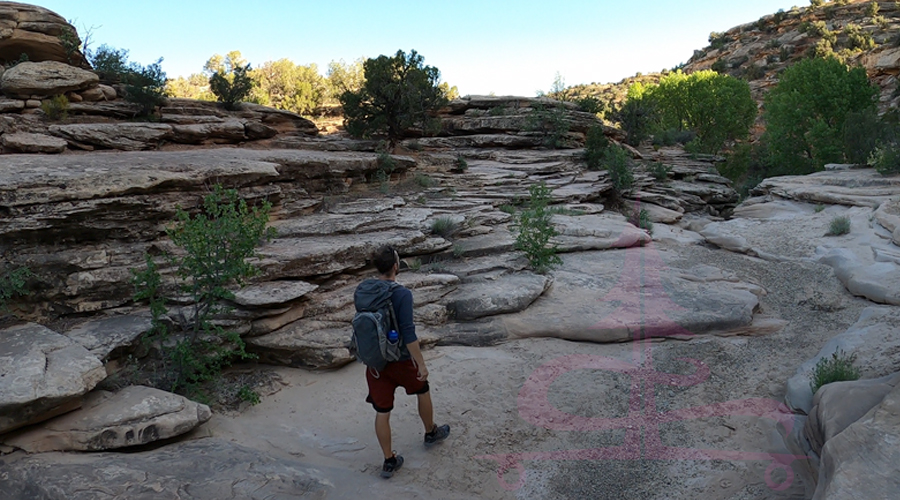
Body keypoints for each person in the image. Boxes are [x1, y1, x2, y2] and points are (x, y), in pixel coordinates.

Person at [364, 245, 450, 479]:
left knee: (382, 411)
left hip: (375, 364)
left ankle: (389, 460)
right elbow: (408, 333)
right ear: (395, 266)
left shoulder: (364, 290)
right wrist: (421, 363)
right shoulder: (402, 294)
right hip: (400, 360)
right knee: (422, 389)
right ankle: (430, 432)